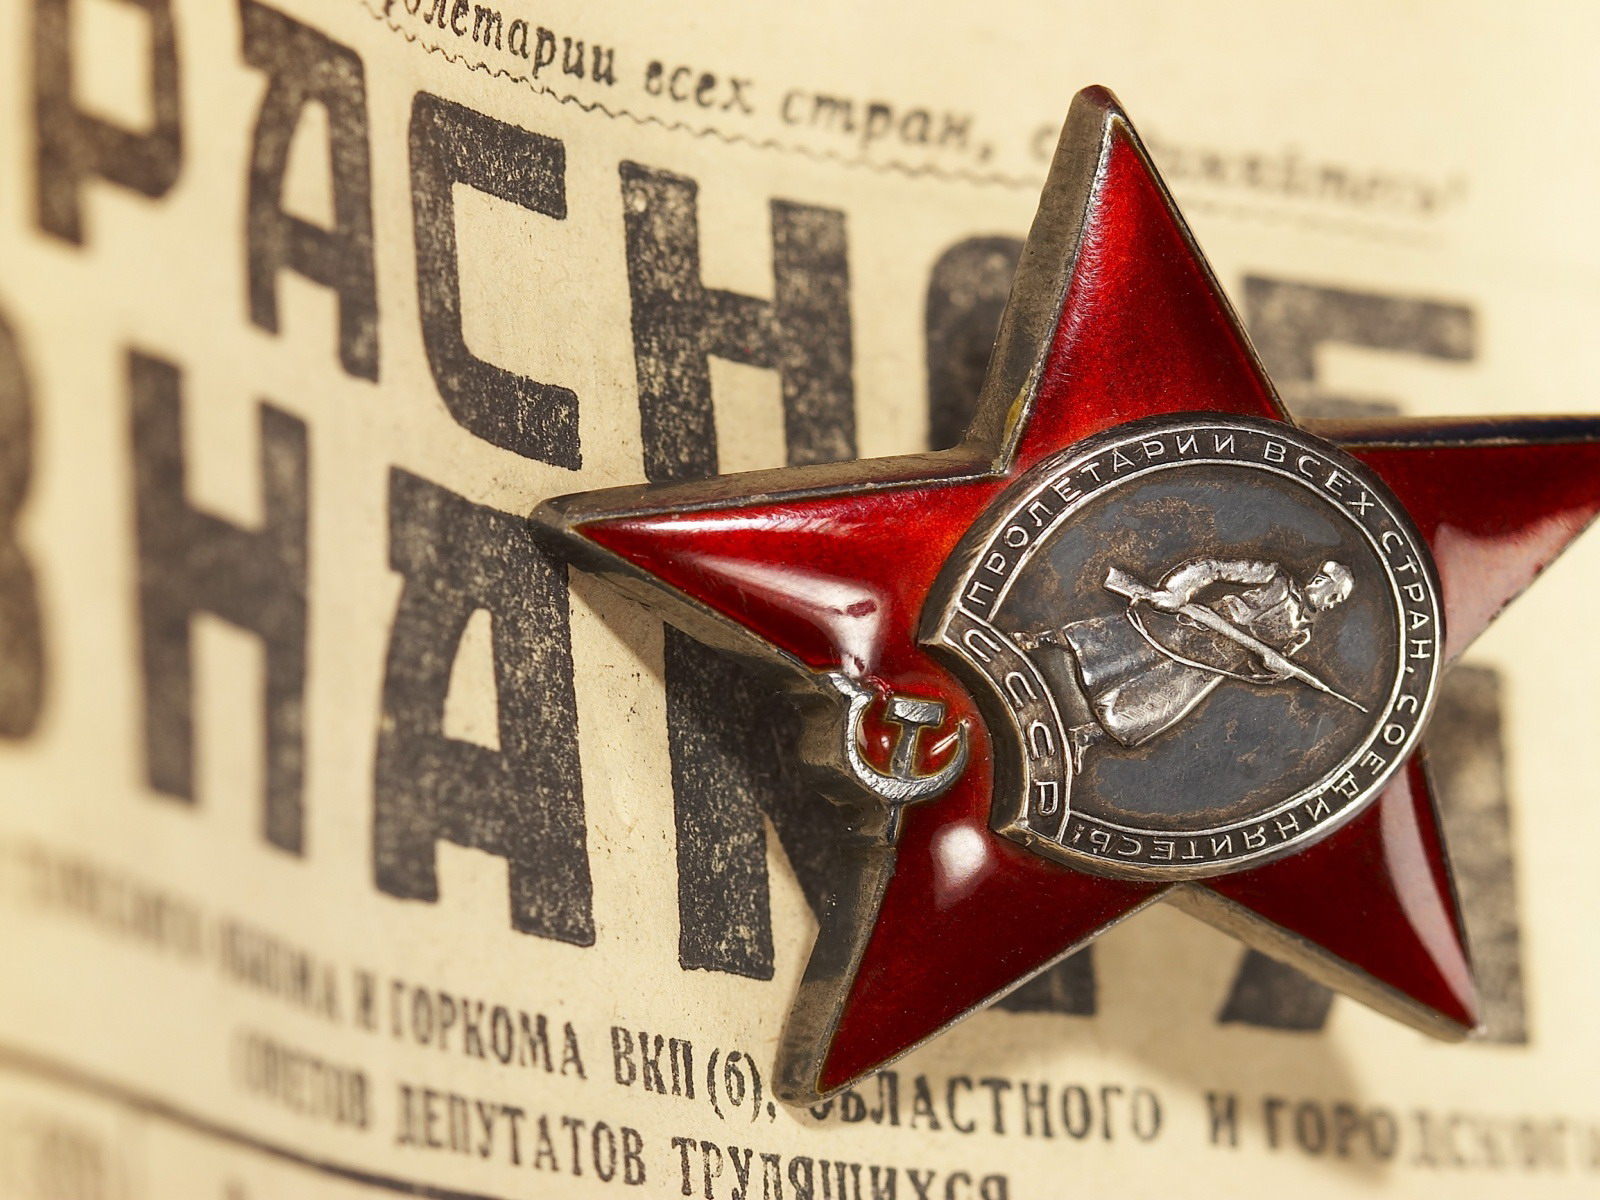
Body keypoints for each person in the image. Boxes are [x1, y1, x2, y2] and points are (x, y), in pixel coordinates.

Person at [1014, 558, 1353, 765]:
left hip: (1213, 664)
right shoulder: (1273, 575)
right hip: (1194, 626)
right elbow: (1213, 568)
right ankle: (1040, 641)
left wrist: (1271, 669)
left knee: (1156, 707)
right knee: (1115, 640)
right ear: (1321, 581)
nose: (1333, 603)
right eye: (1335, 595)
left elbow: (1262, 669)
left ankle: (1085, 737)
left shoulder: (1302, 632)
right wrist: (1176, 592)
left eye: (1338, 601)